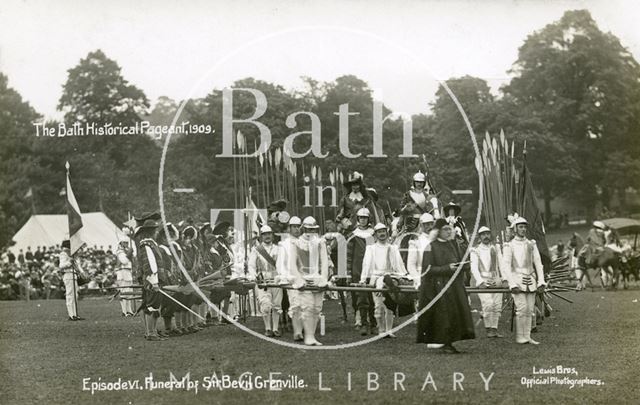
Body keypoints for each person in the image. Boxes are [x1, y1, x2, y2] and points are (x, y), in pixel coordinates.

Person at [417, 218, 475, 353]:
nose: (449, 231)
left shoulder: (453, 245)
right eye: (446, 229)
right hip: (437, 287)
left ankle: (450, 342)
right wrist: (447, 268)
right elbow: (427, 269)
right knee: (444, 316)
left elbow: (459, 262)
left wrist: (463, 266)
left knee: (455, 314)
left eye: (450, 229)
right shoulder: (430, 247)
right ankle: (445, 343)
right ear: (438, 232)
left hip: (454, 286)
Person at [502, 216, 546, 345]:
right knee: (521, 308)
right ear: (515, 229)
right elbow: (506, 266)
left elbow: (538, 263)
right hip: (517, 279)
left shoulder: (531, 244)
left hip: (530, 279)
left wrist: (541, 281)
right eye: (520, 227)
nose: (523, 229)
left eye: (525, 227)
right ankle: (520, 336)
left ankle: (527, 336)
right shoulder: (509, 245)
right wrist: (512, 283)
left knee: (530, 309)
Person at [288, 216, 329, 346]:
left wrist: (324, 279)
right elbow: (292, 265)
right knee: (307, 307)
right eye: (307, 229)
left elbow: (325, 262)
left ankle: (312, 335)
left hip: (316, 278)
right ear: (303, 228)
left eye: (313, 229)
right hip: (304, 279)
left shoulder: (320, 242)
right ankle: (309, 337)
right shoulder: (296, 243)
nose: (310, 232)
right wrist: (299, 280)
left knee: (317, 308)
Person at [360, 223, 407, 337]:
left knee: (390, 306)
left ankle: (389, 330)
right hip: (376, 278)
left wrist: (403, 276)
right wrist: (363, 279)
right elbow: (366, 264)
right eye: (379, 232)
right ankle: (381, 330)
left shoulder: (393, 248)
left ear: (387, 233)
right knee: (379, 305)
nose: (382, 234)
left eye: (383, 231)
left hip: (391, 278)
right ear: (375, 235)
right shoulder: (371, 248)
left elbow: (399, 264)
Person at [470, 226, 507, 338]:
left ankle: (494, 329)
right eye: (483, 234)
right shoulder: (475, 250)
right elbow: (474, 267)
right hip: (483, 281)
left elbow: (502, 264)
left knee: (496, 305)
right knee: (488, 304)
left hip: (496, 280)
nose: (486, 236)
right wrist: (480, 282)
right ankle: (488, 328)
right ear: (480, 237)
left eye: (487, 234)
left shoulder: (495, 248)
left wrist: (504, 279)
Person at [249, 225, 284, 337]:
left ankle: (275, 328)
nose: (267, 236)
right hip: (263, 280)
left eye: (269, 234)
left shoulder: (278, 249)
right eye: (265, 234)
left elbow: (282, 265)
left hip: (276, 279)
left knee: (277, 305)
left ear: (272, 235)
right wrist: (254, 275)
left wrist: (282, 276)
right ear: (261, 236)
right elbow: (251, 265)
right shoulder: (256, 250)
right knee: (265, 304)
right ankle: (268, 328)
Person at [135, 218, 167, 341]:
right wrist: (154, 282)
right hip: (152, 280)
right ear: (151, 231)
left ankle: (152, 331)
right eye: (155, 230)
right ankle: (150, 333)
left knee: (155, 306)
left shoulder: (151, 244)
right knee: (151, 306)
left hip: (155, 279)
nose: (157, 232)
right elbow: (150, 264)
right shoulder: (147, 245)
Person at [346, 208, 376, 335]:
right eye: (361, 218)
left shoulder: (374, 234)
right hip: (357, 269)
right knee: (361, 297)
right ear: (358, 219)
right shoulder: (353, 235)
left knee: (373, 297)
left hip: (372, 269)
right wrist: (348, 272)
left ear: (368, 219)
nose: (363, 220)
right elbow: (348, 255)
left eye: (365, 218)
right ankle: (363, 323)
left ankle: (373, 322)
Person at [278, 216, 304, 341]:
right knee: (295, 304)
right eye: (294, 227)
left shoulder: (304, 242)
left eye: (298, 227)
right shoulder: (284, 244)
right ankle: (297, 332)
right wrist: (286, 277)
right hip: (292, 278)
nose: (296, 229)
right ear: (289, 228)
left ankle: (304, 327)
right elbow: (281, 264)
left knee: (305, 304)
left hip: (304, 278)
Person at [59, 240, 85, 321]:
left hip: (74, 275)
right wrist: (69, 262)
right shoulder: (63, 254)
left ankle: (75, 314)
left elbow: (78, 265)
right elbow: (61, 266)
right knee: (70, 296)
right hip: (68, 275)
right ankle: (71, 315)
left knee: (75, 296)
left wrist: (82, 273)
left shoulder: (73, 255)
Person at [115, 239, 135, 317]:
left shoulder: (126, 251)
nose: (126, 244)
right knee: (123, 292)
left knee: (129, 292)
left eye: (127, 242)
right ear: (121, 243)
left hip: (127, 272)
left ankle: (129, 310)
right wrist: (130, 253)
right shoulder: (120, 252)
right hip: (122, 273)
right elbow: (124, 261)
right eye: (125, 242)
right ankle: (124, 311)